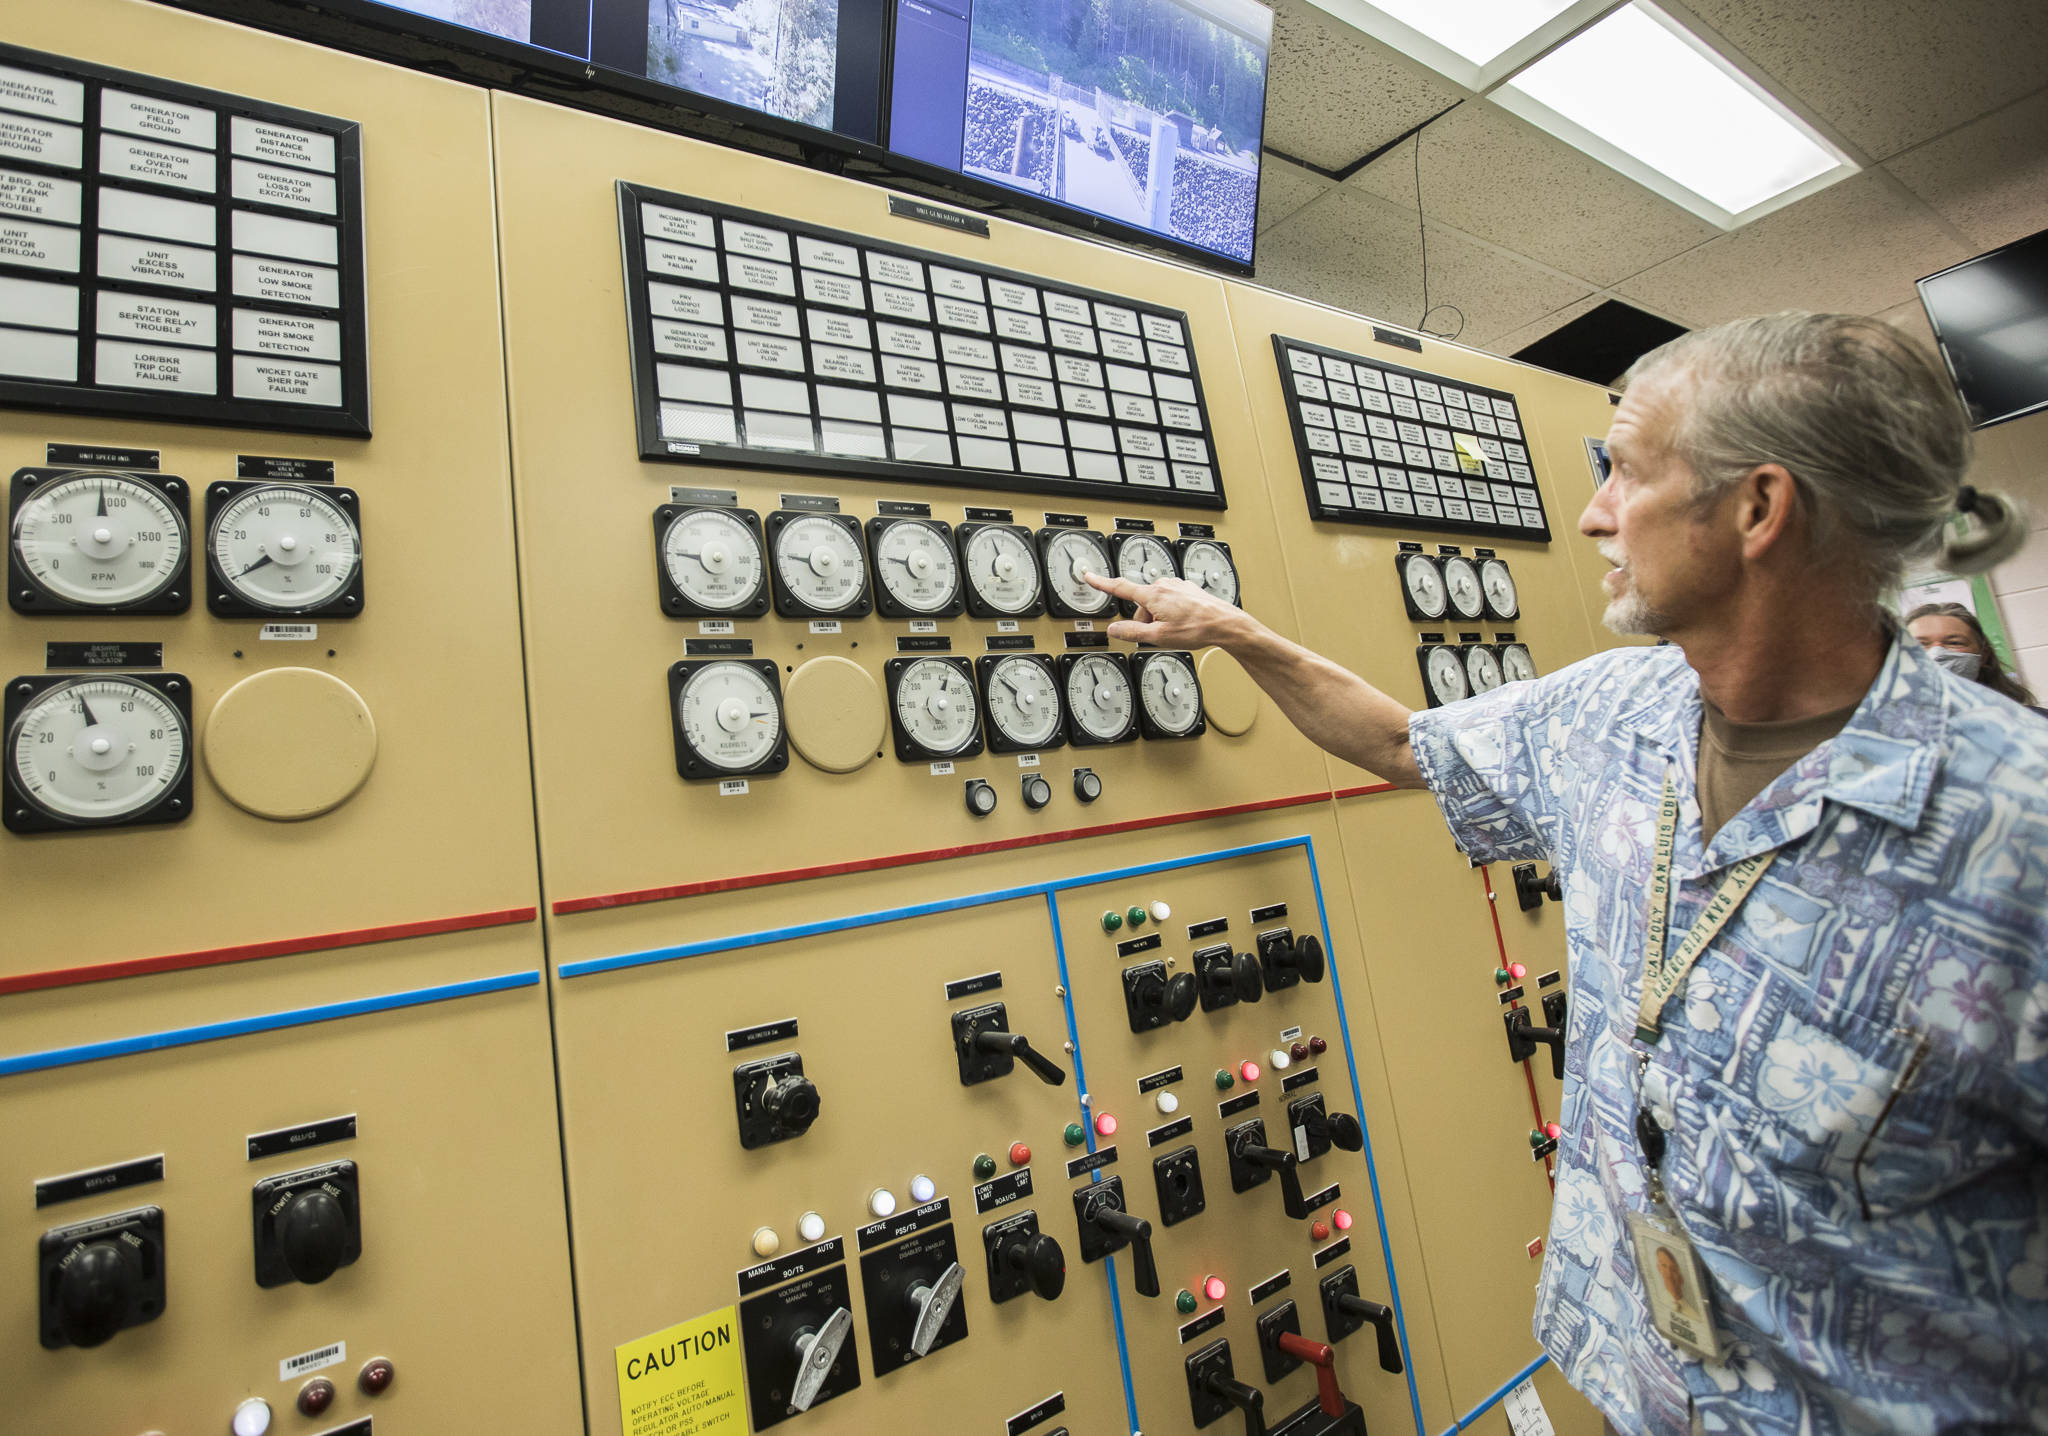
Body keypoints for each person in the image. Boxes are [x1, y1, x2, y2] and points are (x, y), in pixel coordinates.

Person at [1087, 313, 2047, 1435]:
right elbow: (1407, 744)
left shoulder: (2010, 830)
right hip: (1637, 1380)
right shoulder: (1613, 711)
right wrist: (1236, 633)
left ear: (1756, 508)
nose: (1590, 512)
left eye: (1623, 472)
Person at [1905, 598, 2044, 715]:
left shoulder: (2036, 723)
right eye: (1919, 644)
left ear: (1984, 656)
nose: (1936, 654)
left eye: (1954, 643)